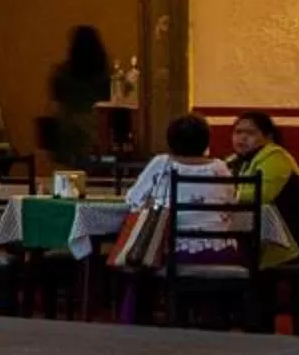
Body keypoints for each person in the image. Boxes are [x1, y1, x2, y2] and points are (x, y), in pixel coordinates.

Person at [124, 112, 238, 260]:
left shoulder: (162, 163)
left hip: (169, 251)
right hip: (220, 251)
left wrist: (152, 202)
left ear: (170, 140)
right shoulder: (220, 167)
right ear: (206, 141)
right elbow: (231, 203)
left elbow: (133, 200)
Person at [227, 110, 299, 267]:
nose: (242, 138)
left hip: (292, 242)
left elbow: (261, 195)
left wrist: (225, 193)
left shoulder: (276, 157)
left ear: (268, 137)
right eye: (238, 132)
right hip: (254, 237)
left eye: (251, 133)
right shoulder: (235, 161)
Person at [46, 25, 112, 171]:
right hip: (98, 131)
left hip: (69, 133)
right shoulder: (105, 75)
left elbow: (56, 105)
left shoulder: (62, 73)